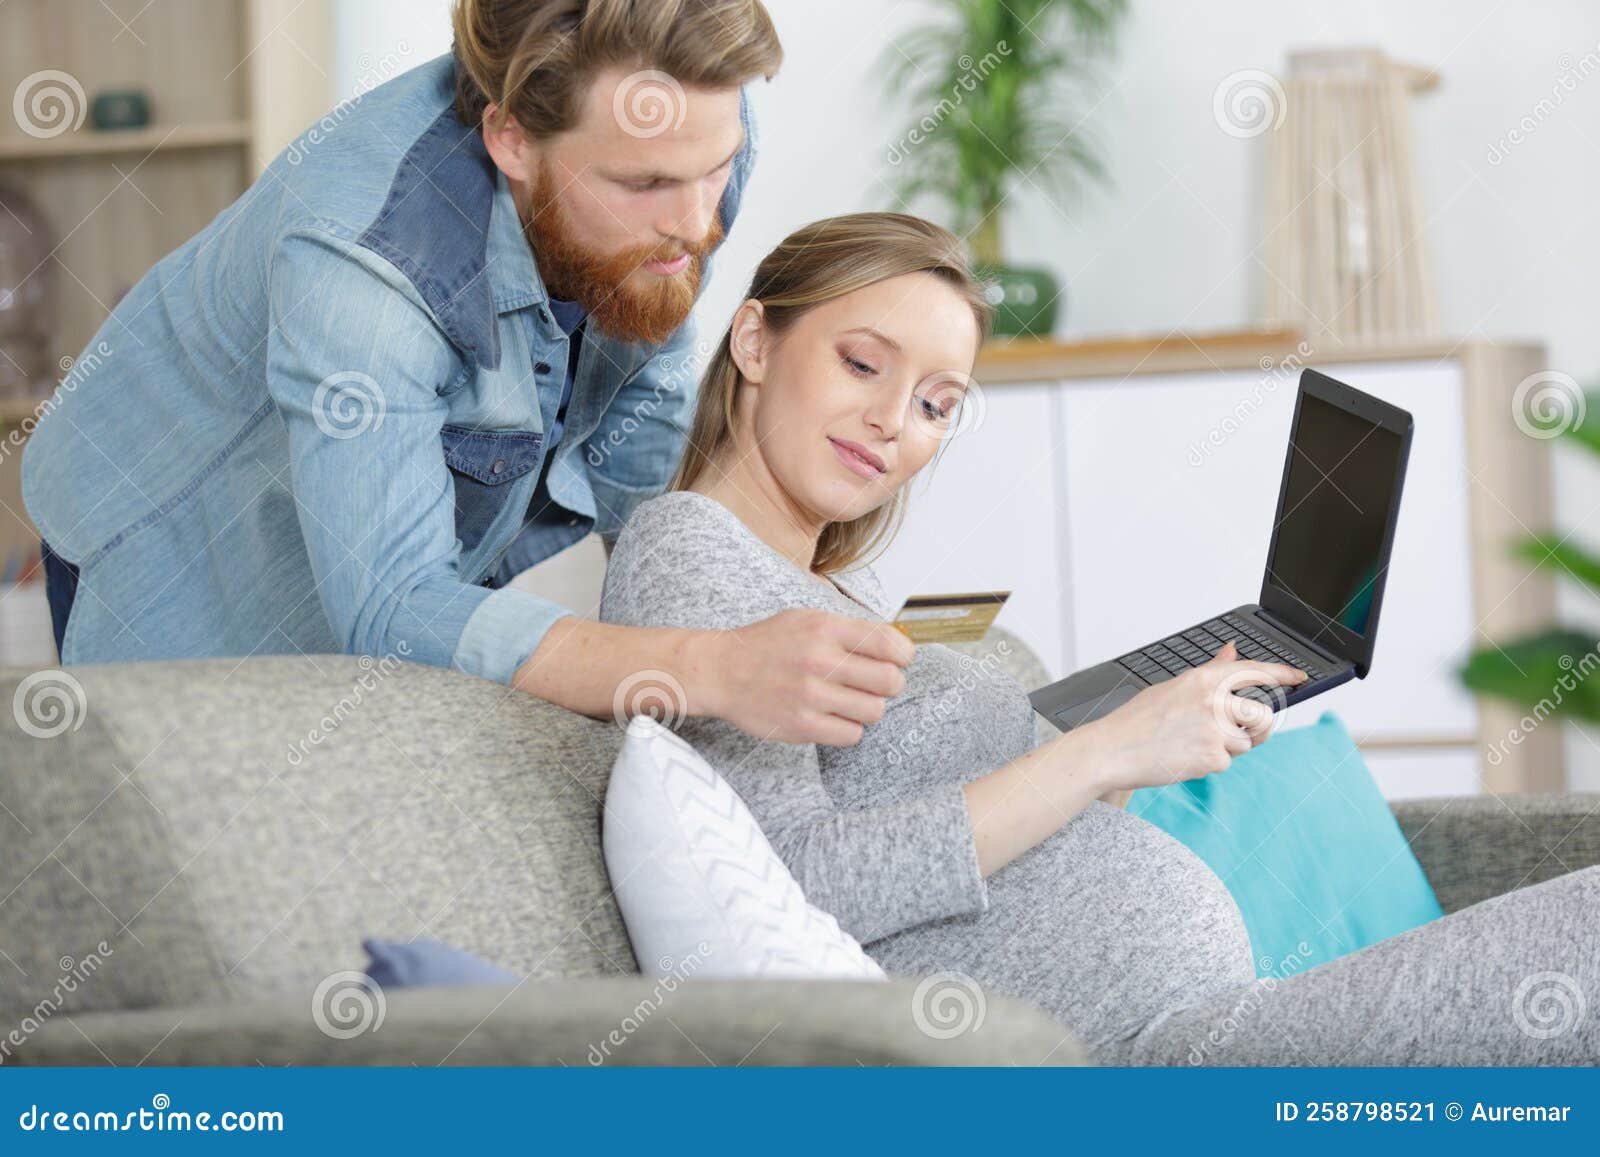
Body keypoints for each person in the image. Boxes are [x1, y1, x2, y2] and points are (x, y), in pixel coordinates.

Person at [597, 210, 1598, 1064]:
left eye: (937, 404)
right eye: (862, 362)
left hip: (1193, 1017)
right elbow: (803, 881)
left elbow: (999, 835)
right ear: (755, 342)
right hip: (1164, 1052)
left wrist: (1133, 750)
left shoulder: (821, 588)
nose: (893, 420)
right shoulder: (691, 548)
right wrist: (1100, 749)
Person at [21, 0, 915, 749]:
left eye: (715, 170)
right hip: (174, 522)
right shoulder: (364, 270)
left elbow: (646, 391)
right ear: (512, 140)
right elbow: (393, 609)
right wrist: (712, 666)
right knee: (233, 860)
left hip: (372, 517)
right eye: (644, 185)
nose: (696, 225)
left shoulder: (684, 132)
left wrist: (721, 596)